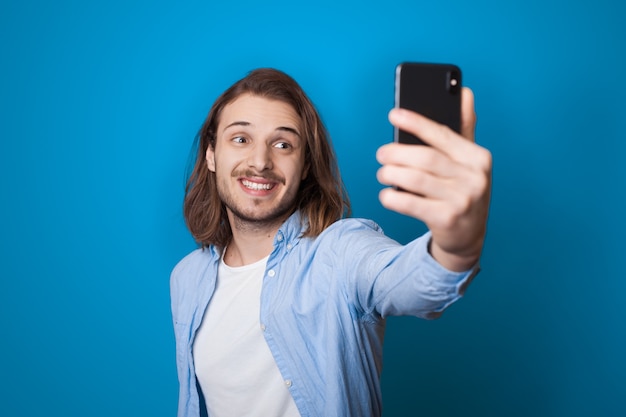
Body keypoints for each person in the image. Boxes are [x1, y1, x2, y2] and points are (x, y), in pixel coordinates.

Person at [171, 68, 492, 417]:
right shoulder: (187, 278)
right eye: (241, 139)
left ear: (306, 164)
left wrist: (456, 246)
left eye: (283, 144)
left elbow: (411, 282)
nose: (260, 162)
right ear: (211, 155)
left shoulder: (340, 252)